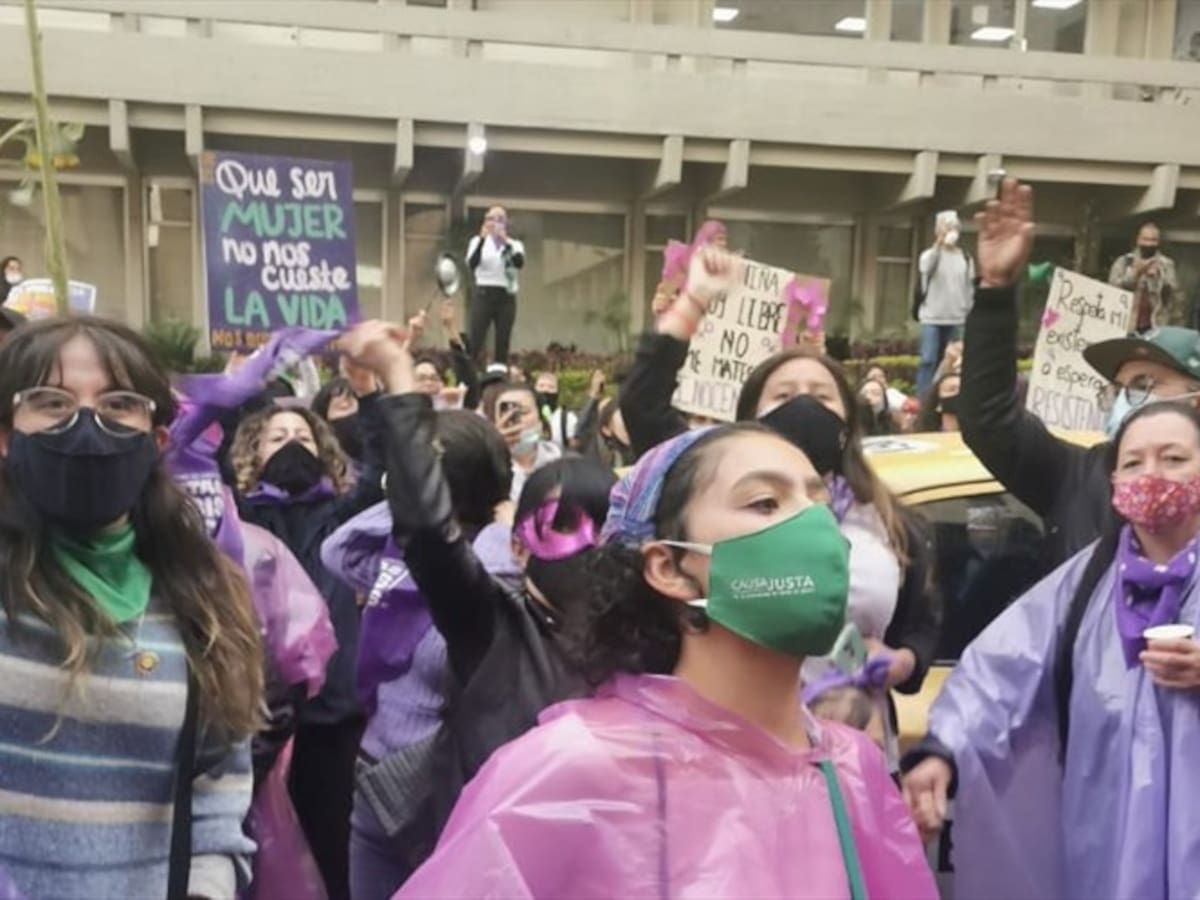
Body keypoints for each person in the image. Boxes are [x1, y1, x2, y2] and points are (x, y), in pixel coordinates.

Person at [397, 426, 938, 899]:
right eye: (766, 504)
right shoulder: (572, 770)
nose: (813, 528)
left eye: (819, 502)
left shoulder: (851, 770)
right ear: (669, 567)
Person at [619, 245, 940, 765]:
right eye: (784, 393)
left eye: (821, 393)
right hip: (725, 747)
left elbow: (922, 623)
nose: (804, 404)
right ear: (749, 417)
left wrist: (903, 661)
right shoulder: (707, 483)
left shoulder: (896, 525)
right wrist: (694, 299)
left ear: (849, 420)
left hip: (856, 755)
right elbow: (643, 405)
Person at [336, 319, 616, 876]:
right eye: (557, 525)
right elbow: (428, 535)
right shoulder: (493, 626)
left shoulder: (642, 642)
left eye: (604, 530)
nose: (583, 546)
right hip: (430, 826)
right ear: (516, 543)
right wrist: (396, 377)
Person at [0, 316, 263, 899]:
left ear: (157, 440)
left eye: (118, 404)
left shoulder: (205, 598)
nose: (86, 424)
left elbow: (218, 792)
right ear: (5, 435)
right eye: (51, 401)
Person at [902, 400, 1200, 899]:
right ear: (1113, 484)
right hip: (1108, 851)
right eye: (1132, 462)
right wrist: (942, 752)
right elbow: (998, 674)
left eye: (1173, 459)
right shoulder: (1084, 585)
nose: (1152, 475)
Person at [320, 410, 518, 900]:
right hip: (373, 776)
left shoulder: (488, 577)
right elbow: (338, 550)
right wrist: (401, 503)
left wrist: (499, 524)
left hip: (439, 788)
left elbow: (503, 568)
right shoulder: (398, 557)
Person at [958, 176, 1200, 570]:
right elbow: (988, 419)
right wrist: (995, 293)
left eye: (1144, 385)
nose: (1126, 400)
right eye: (1120, 388)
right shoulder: (1078, 476)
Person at [230, 385, 385, 900]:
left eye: (304, 436)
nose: (292, 444)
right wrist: (234, 393)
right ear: (253, 453)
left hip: (332, 721)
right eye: (277, 437)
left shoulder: (346, 516)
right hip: (253, 721)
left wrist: (376, 394)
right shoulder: (234, 518)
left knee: (331, 849)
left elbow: (385, 461)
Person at [916, 210, 975, 395]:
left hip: (956, 318)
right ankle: (923, 398)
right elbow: (926, 267)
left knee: (952, 362)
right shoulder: (930, 255)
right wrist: (938, 244)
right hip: (932, 317)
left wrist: (969, 313)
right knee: (928, 359)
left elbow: (970, 288)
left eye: (955, 227)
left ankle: (945, 396)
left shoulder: (966, 258)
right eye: (947, 227)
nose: (952, 231)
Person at [465, 206, 525, 365]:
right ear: (485, 221)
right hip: (484, 294)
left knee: (502, 341)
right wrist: (483, 239)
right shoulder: (477, 241)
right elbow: (472, 264)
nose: (495, 223)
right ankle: (468, 376)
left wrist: (504, 241)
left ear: (505, 223)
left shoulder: (514, 244)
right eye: (491, 219)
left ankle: (500, 377)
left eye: (500, 219)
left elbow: (518, 263)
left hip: (506, 295)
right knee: (476, 339)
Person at [493, 381, 561, 502]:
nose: (513, 420)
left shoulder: (560, 460)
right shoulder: (486, 467)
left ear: (540, 419)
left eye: (522, 412)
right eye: (504, 412)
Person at [1109, 222, 1180, 332]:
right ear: (1138, 240)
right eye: (1145, 239)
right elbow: (1112, 290)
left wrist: (1157, 278)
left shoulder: (1167, 264)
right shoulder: (1124, 262)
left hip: (1155, 326)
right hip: (1125, 324)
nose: (1149, 244)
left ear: (1158, 242)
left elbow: (1172, 296)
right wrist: (1136, 273)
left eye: (1153, 240)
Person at [534, 370, 577, 449]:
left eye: (551, 387)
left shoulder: (567, 418)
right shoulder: (525, 416)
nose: (545, 390)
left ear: (558, 392)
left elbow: (574, 448)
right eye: (541, 386)